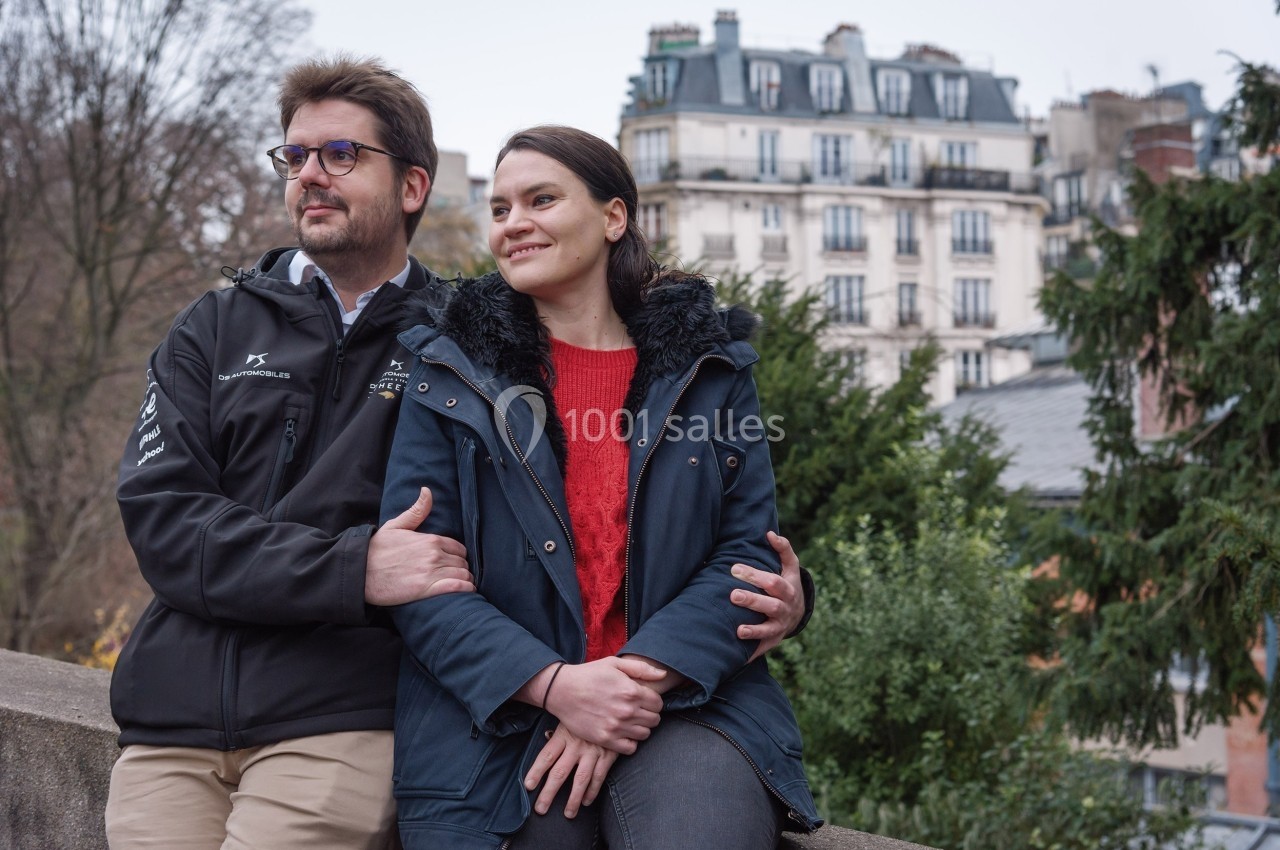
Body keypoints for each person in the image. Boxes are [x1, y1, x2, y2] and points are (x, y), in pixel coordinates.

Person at [105, 59, 809, 850]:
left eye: (340, 154)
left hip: (345, 715)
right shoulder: (226, 329)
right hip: (186, 710)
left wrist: (776, 604)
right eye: (295, 156)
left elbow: (742, 543)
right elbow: (164, 523)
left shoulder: (462, 342)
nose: (310, 174)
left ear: (413, 187)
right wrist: (361, 570)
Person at [381, 125, 822, 850]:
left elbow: (747, 554)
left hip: (686, 701)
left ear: (613, 217)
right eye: (499, 209)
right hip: (499, 717)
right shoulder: (447, 374)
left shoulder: (711, 372)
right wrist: (559, 687)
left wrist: (628, 683)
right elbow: (423, 583)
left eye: (541, 199)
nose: (514, 222)